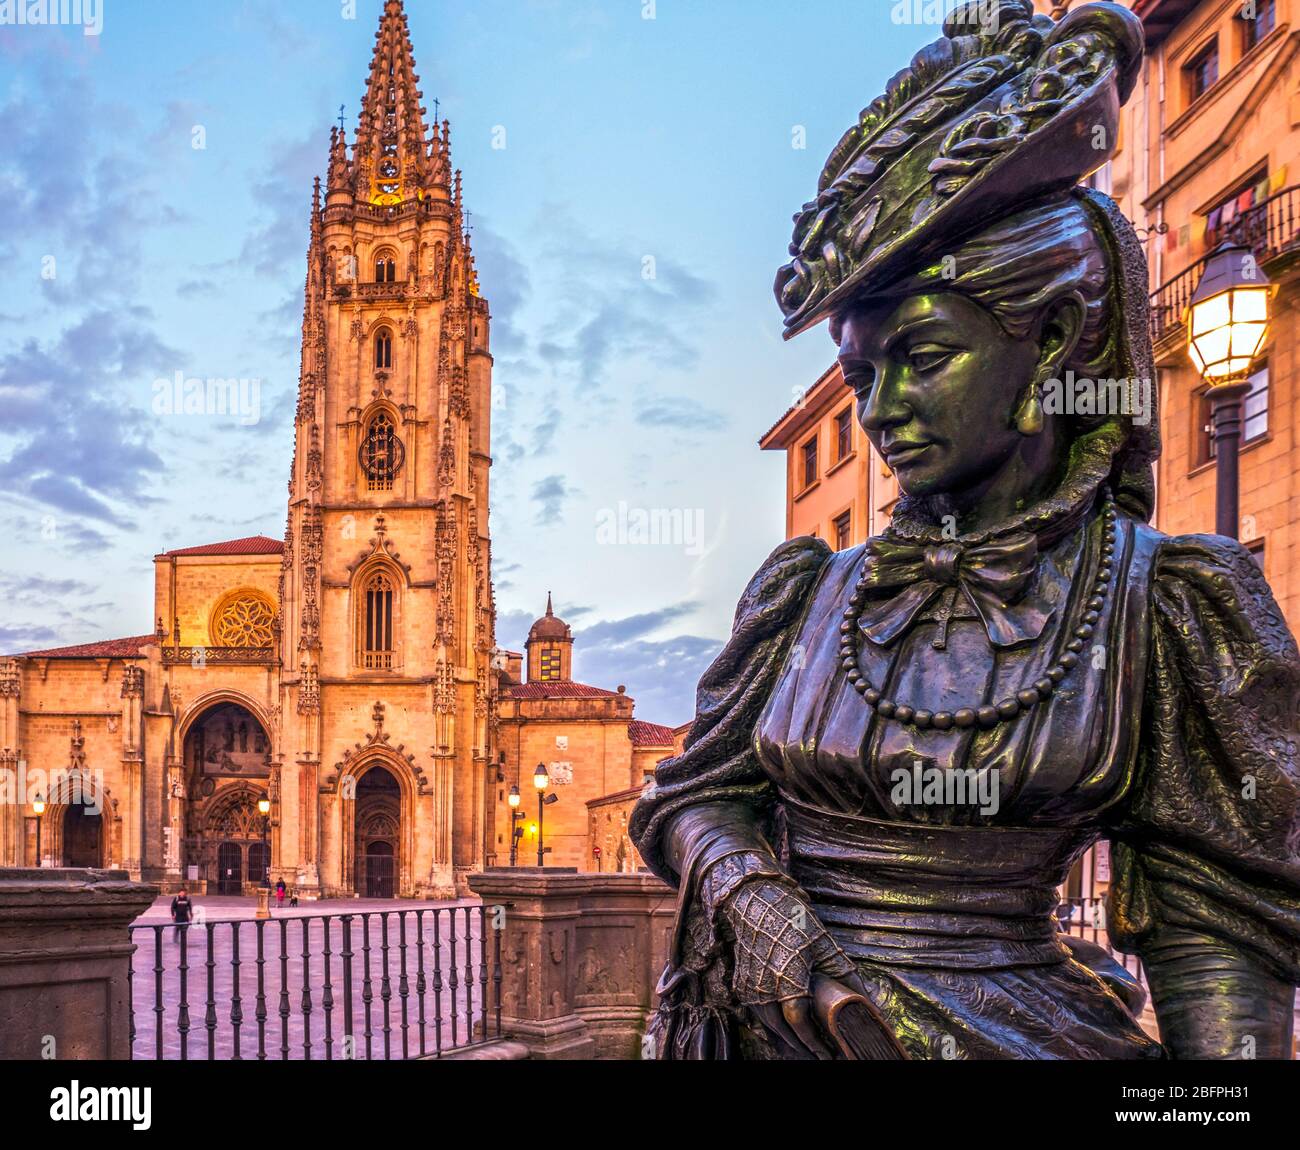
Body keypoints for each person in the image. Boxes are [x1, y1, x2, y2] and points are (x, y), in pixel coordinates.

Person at [631, 0, 1300, 1060]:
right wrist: (755, 900)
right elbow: (692, 796)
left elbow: (1217, 948)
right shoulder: (807, 592)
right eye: (858, 373)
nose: (877, 409)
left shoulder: (1161, 600)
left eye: (923, 356)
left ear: (1057, 338)